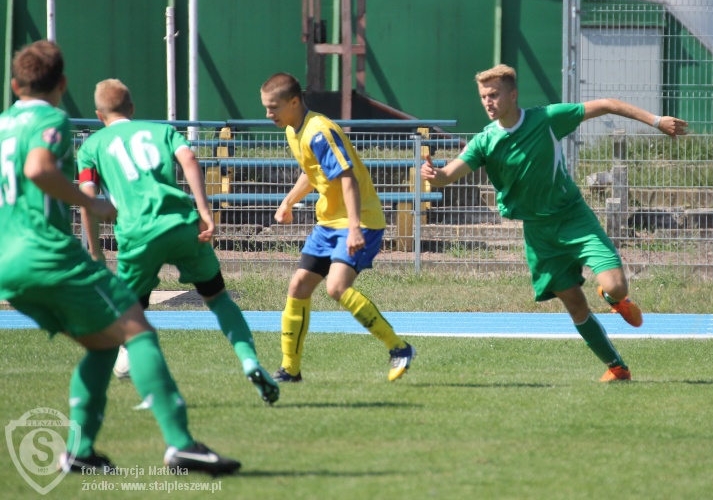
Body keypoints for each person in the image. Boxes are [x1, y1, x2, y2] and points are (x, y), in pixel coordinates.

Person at [0, 40, 240, 475]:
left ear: (16, 85)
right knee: (137, 329)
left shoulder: (2, 125)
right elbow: (38, 168)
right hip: (46, 255)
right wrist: (91, 203)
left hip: (7, 263)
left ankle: (80, 450)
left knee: (102, 344)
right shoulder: (50, 119)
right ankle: (181, 444)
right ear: (63, 84)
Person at [421, 64, 689, 382]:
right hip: (539, 233)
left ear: (513, 95)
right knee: (575, 304)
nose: (487, 102)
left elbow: (607, 104)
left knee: (616, 286)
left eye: (493, 95)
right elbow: (447, 175)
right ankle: (617, 368)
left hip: (573, 217)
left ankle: (615, 299)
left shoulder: (546, 119)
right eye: (483, 96)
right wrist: (434, 176)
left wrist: (657, 121)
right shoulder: (485, 141)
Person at [77, 79, 279, 406]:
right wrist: (205, 211)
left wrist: (96, 252)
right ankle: (250, 362)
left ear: (99, 115)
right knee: (218, 298)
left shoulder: (92, 146)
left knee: (132, 319)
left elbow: (87, 199)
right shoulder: (162, 131)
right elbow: (189, 160)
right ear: (132, 108)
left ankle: (155, 392)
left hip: (138, 235)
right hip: (183, 225)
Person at [260, 72, 415, 383]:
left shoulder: (319, 131)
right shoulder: (293, 130)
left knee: (336, 287)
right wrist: (288, 202)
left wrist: (355, 228)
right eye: (266, 107)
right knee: (298, 286)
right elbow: (313, 172)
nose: (268, 114)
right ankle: (290, 369)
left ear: (294, 102)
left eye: (273, 107)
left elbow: (348, 178)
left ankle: (399, 348)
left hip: (360, 221)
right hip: (328, 223)